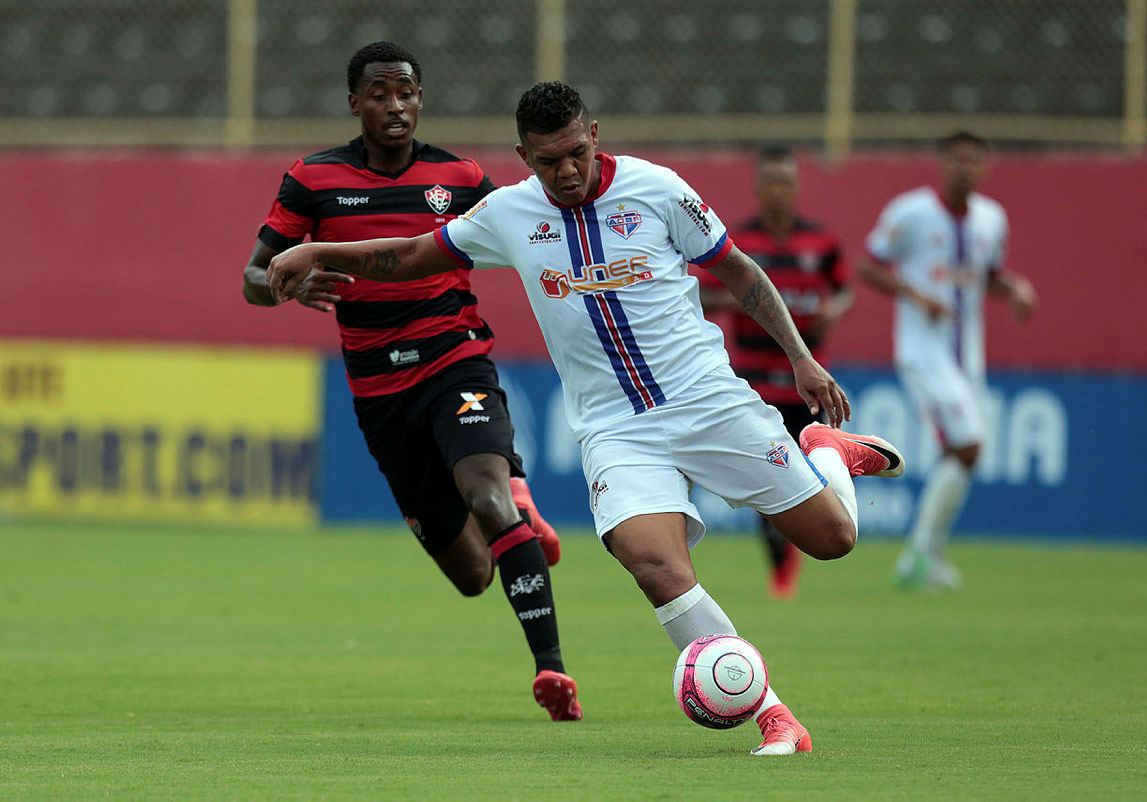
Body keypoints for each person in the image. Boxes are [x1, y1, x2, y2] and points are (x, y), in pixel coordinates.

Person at [265, 81, 906, 756]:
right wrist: (321, 251)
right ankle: (773, 714)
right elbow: (415, 255)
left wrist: (801, 359)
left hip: (709, 402)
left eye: (575, 153)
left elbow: (740, 272)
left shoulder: (658, 190)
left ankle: (829, 451)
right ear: (524, 156)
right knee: (652, 562)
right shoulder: (507, 213)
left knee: (833, 539)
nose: (565, 172)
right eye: (547, 162)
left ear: (594, 135)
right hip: (615, 430)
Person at [240, 43, 581, 721]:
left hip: (454, 359)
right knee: (473, 575)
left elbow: (531, 231)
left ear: (420, 98)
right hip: (379, 394)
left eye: (407, 93)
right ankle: (513, 500)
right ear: (355, 103)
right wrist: (287, 283)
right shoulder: (313, 179)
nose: (395, 106)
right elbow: (252, 278)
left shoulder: (459, 176)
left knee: (488, 499)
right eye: (379, 94)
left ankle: (553, 672)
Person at [859, 131, 1036, 591]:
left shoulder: (991, 219)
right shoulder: (911, 212)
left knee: (961, 455)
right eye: (957, 159)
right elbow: (869, 265)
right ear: (942, 162)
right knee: (970, 446)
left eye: (974, 160)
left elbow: (986, 277)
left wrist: (1015, 289)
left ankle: (924, 556)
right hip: (923, 354)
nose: (965, 168)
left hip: (967, 358)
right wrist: (919, 296)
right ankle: (920, 553)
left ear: (984, 166)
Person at [698, 145, 853, 598]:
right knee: (770, 479)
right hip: (757, 381)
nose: (779, 192)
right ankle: (782, 572)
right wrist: (740, 299)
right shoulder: (737, 243)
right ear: (759, 188)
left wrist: (833, 310)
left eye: (787, 182)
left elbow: (845, 290)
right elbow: (702, 294)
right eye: (771, 183)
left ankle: (805, 554)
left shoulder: (820, 242)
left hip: (808, 383)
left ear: (797, 187)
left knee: (813, 475)